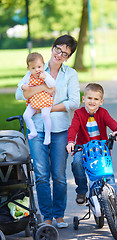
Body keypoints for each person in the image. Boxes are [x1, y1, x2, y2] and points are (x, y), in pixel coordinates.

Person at [15, 35, 80, 228]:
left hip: (60, 129)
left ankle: (59, 215)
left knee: (59, 175)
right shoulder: (37, 67)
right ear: (53, 48)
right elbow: (20, 93)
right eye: (58, 49)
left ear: (68, 57)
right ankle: (47, 216)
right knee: (42, 175)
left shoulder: (70, 74)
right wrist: (42, 87)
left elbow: (74, 102)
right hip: (37, 129)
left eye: (65, 53)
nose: (60, 54)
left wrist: (49, 107)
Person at [66, 83, 117, 206]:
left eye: (96, 99)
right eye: (89, 98)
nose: (92, 101)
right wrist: (71, 141)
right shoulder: (78, 113)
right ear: (84, 99)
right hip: (83, 148)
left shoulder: (103, 113)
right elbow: (73, 128)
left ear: (101, 101)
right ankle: (82, 190)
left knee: (108, 175)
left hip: (100, 148)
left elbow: (112, 123)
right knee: (77, 162)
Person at [23, 52, 56, 145]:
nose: (37, 70)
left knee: (45, 115)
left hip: (45, 101)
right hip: (34, 101)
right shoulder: (28, 76)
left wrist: (45, 78)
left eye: (39, 67)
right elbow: (20, 84)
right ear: (29, 69)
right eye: (33, 68)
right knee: (26, 115)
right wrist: (23, 86)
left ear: (43, 65)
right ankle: (33, 131)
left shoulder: (45, 74)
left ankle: (48, 136)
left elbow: (52, 84)